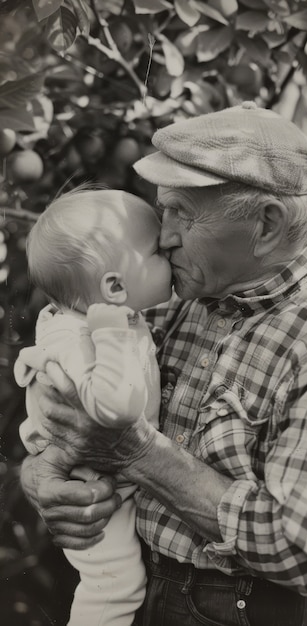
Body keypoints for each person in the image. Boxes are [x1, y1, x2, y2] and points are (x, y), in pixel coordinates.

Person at [18, 102, 307, 626]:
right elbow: (70, 401)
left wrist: (138, 455)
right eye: (164, 210)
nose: (164, 234)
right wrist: (44, 472)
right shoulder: (176, 289)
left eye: (183, 211)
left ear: (266, 224)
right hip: (140, 591)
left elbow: (302, 548)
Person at [14, 186, 172, 626]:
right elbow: (116, 409)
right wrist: (113, 336)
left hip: (114, 481)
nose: (172, 252)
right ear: (115, 286)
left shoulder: (115, 314)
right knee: (115, 586)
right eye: (159, 251)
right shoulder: (83, 338)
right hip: (96, 489)